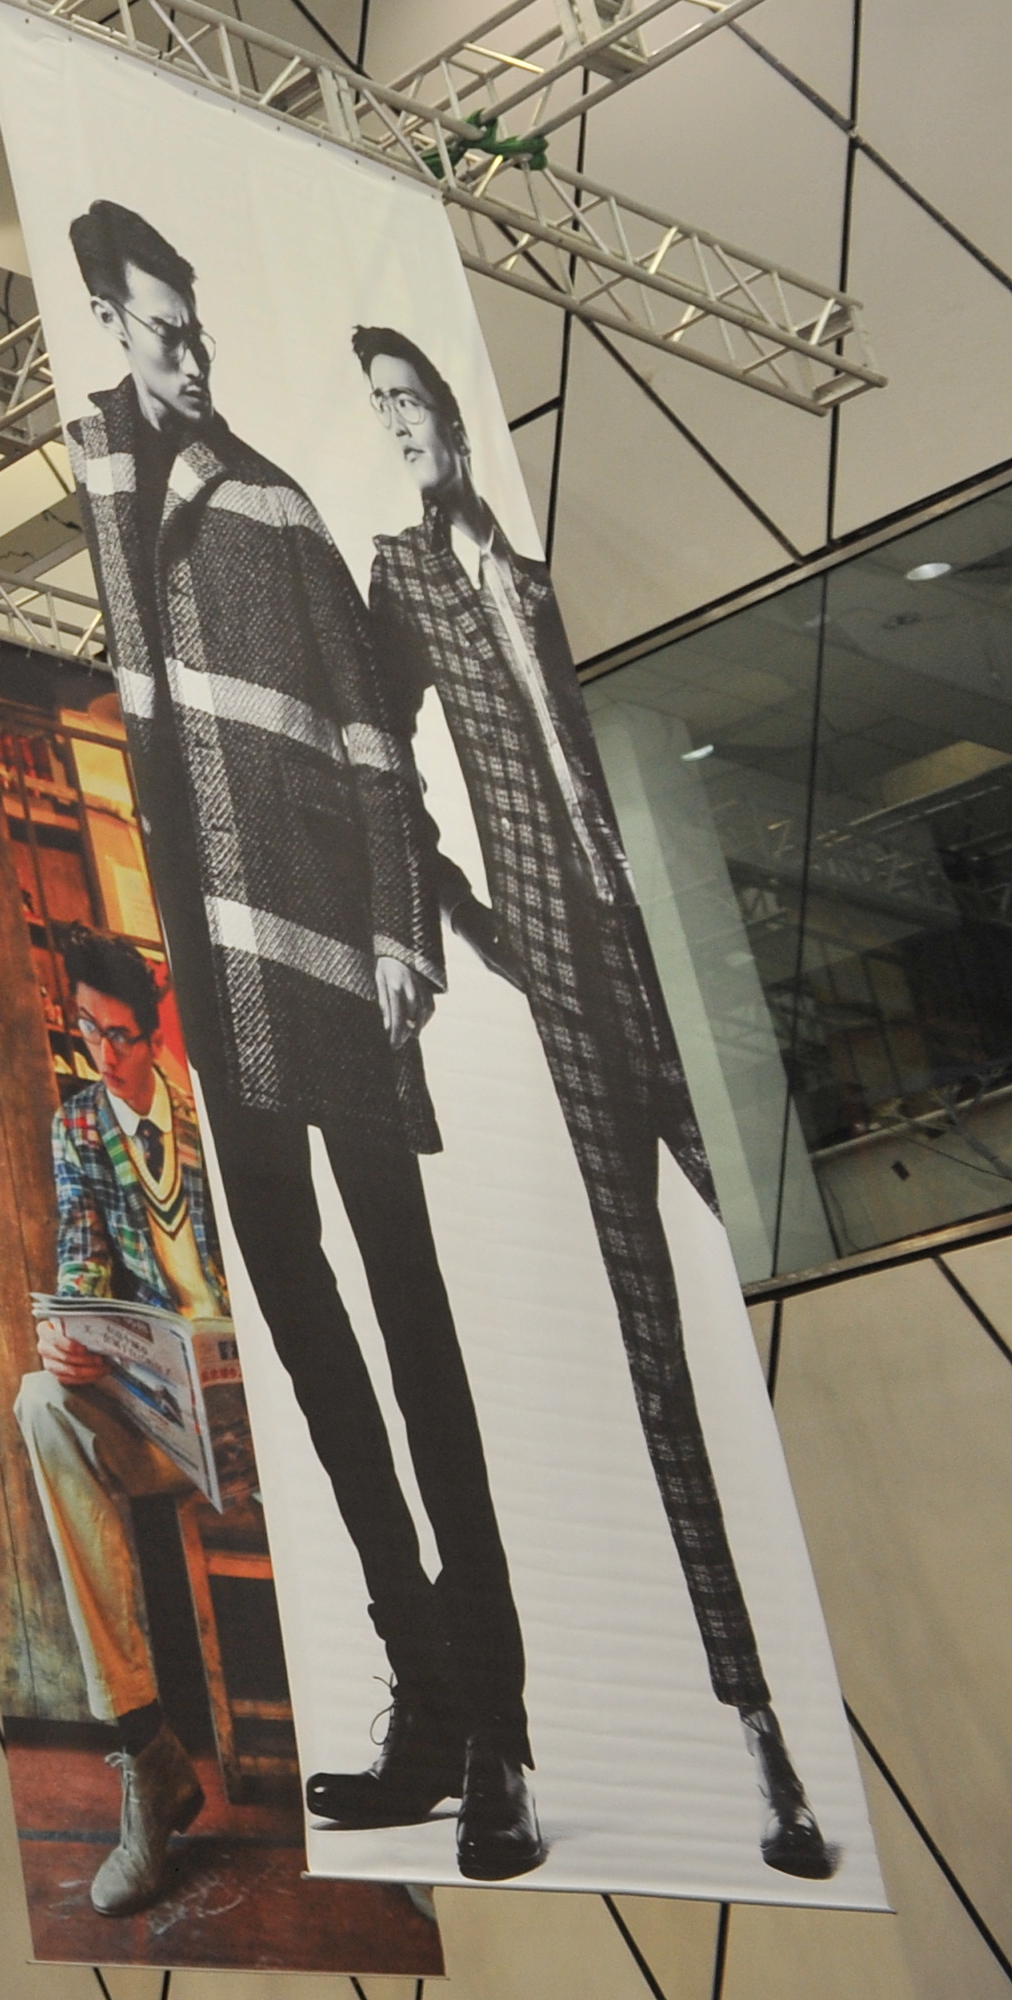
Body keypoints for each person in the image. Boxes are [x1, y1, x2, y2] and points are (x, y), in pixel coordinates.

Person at [56, 199, 539, 1881]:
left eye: (198, 329)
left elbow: (370, 735)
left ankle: (501, 1732)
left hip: (333, 971)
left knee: (415, 1344)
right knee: (324, 1371)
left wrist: (402, 931)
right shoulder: (97, 472)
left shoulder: (266, 498)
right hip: (217, 996)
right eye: (162, 329)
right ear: (109, 323)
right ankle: (429, 1698)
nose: (189, 355)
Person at [350, 328, 833, 1880]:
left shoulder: (539, 568)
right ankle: (763, 1741)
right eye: (380, 412)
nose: (401, 429)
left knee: (786, 1235)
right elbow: (378, 769)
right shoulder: (404, 578)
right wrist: (467, 923)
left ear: (453, 414)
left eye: (412, 402)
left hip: (667, 956)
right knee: (653, 1347)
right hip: (569, 988)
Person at [11, 930, 229, 1917]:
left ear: (154, 1030)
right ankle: (147, 1756)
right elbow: (83, 1259)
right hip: (155, 1417)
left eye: (120, 1036)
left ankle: (413, 1768)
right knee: (39, 1401)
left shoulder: (212, 1112)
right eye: (86, 1032)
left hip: (259, 1410)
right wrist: (71, 1334)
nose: (103, 1054)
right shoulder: (78, 1126)